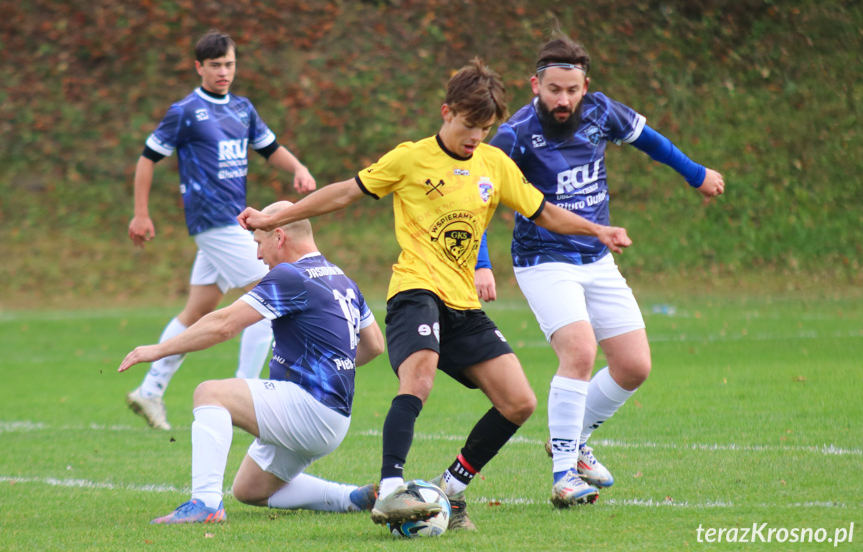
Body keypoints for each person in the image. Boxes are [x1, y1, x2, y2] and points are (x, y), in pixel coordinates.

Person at [236, 58, 632, 531]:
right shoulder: (410, 158)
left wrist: (596, 229)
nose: (475, 137)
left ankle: (451, 488)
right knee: (418, 378)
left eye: (484, 128)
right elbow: (343, 193)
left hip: (463, 304)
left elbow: (544, 211)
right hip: (415, 292)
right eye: (469, 125)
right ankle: (389, 490)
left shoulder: (494, 164)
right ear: (447, 112)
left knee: (519, 401)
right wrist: (274, 218)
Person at [478, 35, 725, 508]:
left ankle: (571, 439)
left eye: (572, 90)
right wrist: (482, 264)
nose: (564, 99)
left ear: (585, 86)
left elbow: (652, 142)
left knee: (634, 366)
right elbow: (482, 201)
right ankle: (565, 475)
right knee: (580, 351)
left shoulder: (602, 111)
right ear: (536, 84)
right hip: (543, 260)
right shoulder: (514, 133)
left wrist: (696, 173)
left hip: (596, 256)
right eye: (554, 89)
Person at [118, 201, 385, 523]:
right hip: (335, 417)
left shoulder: (292, 275)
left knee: (210, 393)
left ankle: (205, 505)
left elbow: (223, 325)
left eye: (259, 244)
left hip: (309, 410)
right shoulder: (341, 277)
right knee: (250, 490)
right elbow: (375, 345)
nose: (258, 255)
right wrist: (332, 368)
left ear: (279, 236)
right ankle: (351, 498)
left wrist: (159, 350)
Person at [126, 30, 316, 431]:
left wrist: (298, 167)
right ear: (199, 67)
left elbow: (270, 148)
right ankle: (245, 394)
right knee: (268, 298)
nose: (223, 72)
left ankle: (150, 389)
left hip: (235, 223)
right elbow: (147, 160)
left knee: (197, 310)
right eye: (215, 65)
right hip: (213, 223)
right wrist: (141, 214)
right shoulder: (185, 111)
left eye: (229, 64)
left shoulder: (243, 109)